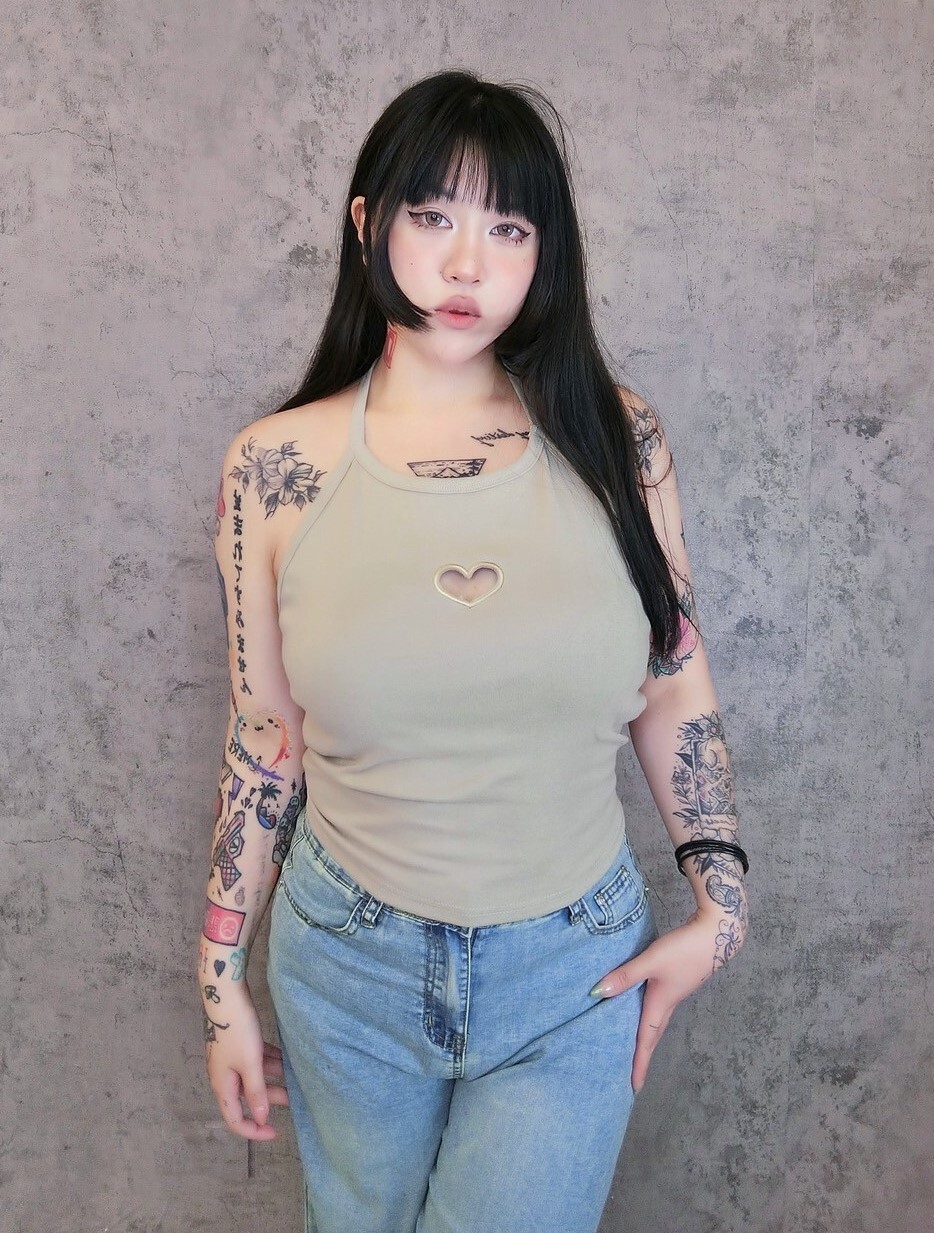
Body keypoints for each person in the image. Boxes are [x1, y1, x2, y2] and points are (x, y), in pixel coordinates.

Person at [199, 68, 749, 1233]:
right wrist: (219, 984)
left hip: (572, 968)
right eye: (431, 215)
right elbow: (265, 740)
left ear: (544, 252)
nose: (466, 265)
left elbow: (671, 677)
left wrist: (722, 906)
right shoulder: (275, 468)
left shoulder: (620, 438)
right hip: (347, 962)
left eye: (508, 228)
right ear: (367, 223)